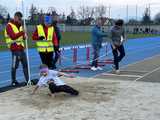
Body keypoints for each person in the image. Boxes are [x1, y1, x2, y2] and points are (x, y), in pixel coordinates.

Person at [4, 11, 29, 86]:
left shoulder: (21, 25)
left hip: (21, 48)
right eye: (19, 19)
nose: (20, 20)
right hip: (14, 49)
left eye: (20, 19)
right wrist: (22, 32)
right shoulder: (9, 25)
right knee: (15, 65)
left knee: (25, 64)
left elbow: (23, 37)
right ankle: (13, 80)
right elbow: (13, 36)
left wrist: (25, 36)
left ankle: (28, 80)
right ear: (15, 17)